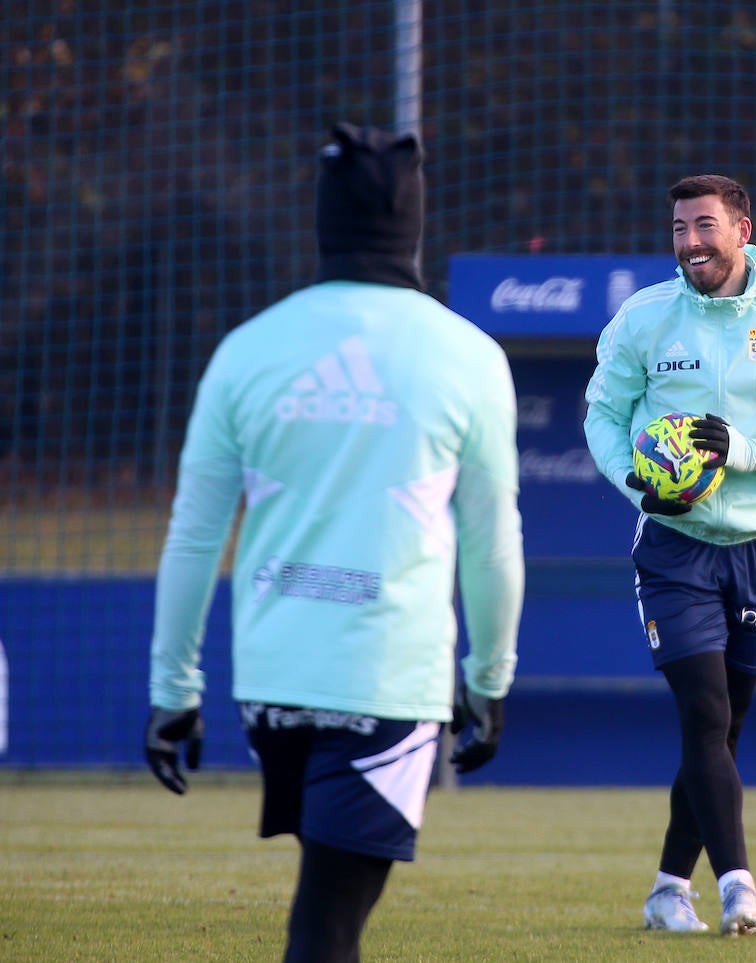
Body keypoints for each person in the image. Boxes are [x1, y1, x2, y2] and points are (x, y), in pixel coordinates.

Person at [144, 123, 524, 962]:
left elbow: (194, 534)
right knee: (327, 925)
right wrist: (489, 680)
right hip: (387, 683)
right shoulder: (468, 356)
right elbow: (493, 541)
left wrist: (173, 688)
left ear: (322, 216)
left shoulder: (247, 349)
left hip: (272, 687)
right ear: (414, 219)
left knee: (323, 911)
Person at [584, 173, 756, 937]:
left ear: (743, 229)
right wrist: (644, 489)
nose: (690, 243)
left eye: (704, 225)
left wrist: (744, 451)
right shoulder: (645, 317)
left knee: (724, 731)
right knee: (705, 714)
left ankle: (669, 887)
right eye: (679, 228)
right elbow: (603, 417)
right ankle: (740, 888)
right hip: (675, 547)